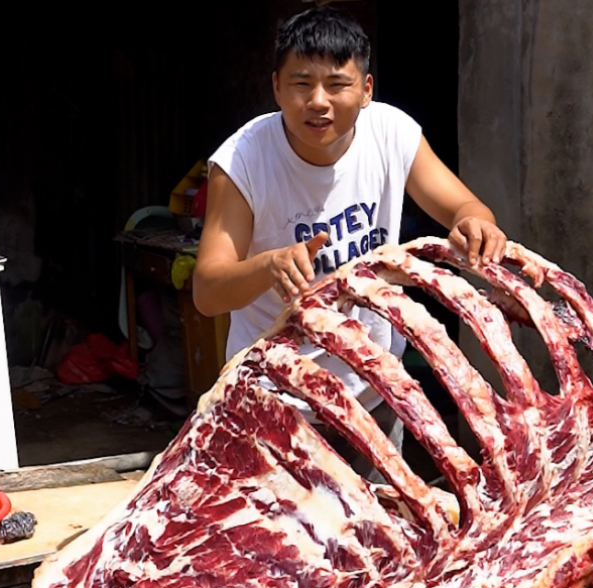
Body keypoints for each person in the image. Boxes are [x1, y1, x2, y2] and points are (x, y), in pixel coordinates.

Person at [193, 6, 508, 479]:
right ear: (276, 87)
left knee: (380, 544)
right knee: (281, 547)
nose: (318, 101)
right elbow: (208, 291)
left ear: (366, 90)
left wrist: (475, 225)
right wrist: (267, 266)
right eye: (301, 83)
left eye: (337, 85)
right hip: (276, 404)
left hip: (372, 398)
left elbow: (464, 208)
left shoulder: (392, 134)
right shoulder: (243, 160)